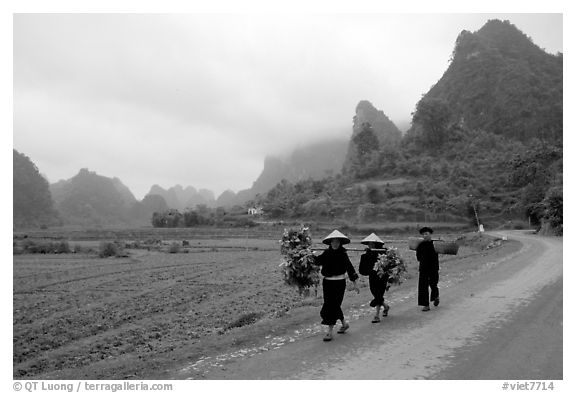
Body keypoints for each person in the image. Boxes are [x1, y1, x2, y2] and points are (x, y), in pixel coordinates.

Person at [314, 230, 359, 342]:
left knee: (333, 305)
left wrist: (355, 284)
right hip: (327, 283)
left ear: (340, 243)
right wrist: (307, 254)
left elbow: (350, 268)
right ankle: (344, 323)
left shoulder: (343, 254)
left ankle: (329, 332)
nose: (335, 243)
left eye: (337, 242)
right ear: (330, 242)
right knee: (331, 305)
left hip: (339, 283)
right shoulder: (326, 253)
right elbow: (316, 261)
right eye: (333, 242)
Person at [358, 233, 390, 323]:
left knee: (379, 293)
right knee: (375, 293)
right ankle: (386, 306)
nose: (370, 245)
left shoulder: (384, 253)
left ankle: (376, 315)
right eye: (369, 244)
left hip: (382, 276)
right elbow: (363, 270)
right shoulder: (366, 255)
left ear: (377, 244)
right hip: (372, 277)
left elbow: (389, 265)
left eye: (372, 244)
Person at [416, 226, 440, 311]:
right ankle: (425, 305)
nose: (424, 236)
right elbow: (418, 257)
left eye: (426, 234)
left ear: (430, 234)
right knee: (423, 286)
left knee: (433, 284)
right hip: (423, 268)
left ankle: (436, 296)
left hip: (433, 268)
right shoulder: (420, 245)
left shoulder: (436, 244)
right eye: (423, 234)